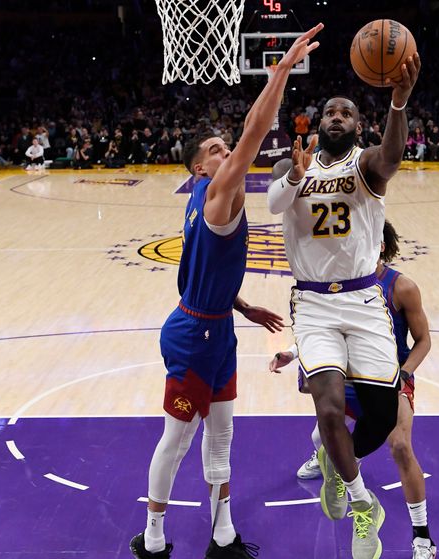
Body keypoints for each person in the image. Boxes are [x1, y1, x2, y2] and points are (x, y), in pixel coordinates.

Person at [129, 23, 323, 559]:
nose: (226, 152)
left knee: (222, 438)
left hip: (215, 324)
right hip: (194, 334)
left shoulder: (197, 198)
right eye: (216, 150)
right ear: (200, 167)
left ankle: (223, 535)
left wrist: (238, 303)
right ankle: (152, 538)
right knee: (178, 439)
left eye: (224, 148)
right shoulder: (218, 195)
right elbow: (254, 132)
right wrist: (280, 71)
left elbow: (195, 268)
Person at [266, 52, 421, 559]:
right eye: (329, 111)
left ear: (358, 126)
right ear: (317, 122)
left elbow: (393, 158)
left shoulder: (368, 164)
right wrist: (294, 175)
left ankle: (340, 463)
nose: (336, 117)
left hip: (363, 298)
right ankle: (362, 504)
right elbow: (271, 201)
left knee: (380, 415)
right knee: (328, 406)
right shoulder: (293, 165)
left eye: (346, 112)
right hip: (312, 303)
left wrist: (399, 101)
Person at [269, 220, 436, 559]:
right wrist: (292, 351)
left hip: (390, 375)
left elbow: (424, 341)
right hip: (346, 375)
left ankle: (422, 537)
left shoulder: (401, 287)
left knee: (401, 446)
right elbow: (326, 328)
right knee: (323, 431)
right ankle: (330, 460)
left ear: (381, 248)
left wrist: (404, 373)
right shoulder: (337, 281)